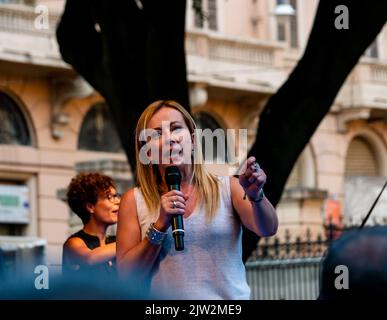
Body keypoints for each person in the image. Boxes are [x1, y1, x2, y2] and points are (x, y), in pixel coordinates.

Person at [116, 100, 278, 299]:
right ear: (147, 150)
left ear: (192, 140)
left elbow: (268, 228)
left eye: (176, 129)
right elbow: (125, 277)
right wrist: (159, 226)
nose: (169, 139)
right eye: (157, 134)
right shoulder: (134, 201)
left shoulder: (228, 187)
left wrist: (256, 197)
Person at [62, 172, 120, 279]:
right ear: (90, 206)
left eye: (116, 196)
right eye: (109, 197)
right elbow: (89, 258)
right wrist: (128, 244)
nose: (118, 201)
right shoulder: (74, 243)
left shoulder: (114, 241)